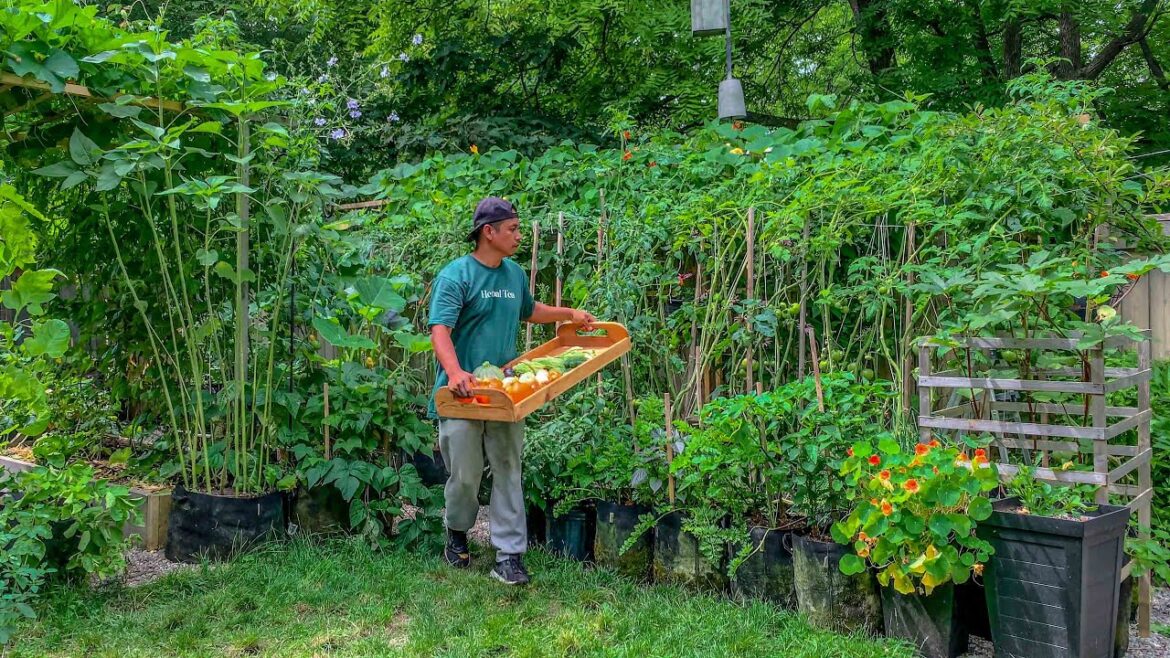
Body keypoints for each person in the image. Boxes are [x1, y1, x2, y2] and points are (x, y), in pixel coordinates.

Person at [428, 196, 596, 585]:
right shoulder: (457, 276)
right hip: (462, 396)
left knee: (507, 469)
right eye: (512, 229)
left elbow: (529, 309)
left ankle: (509, 556)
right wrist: (455, 373)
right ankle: (456, 531)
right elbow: (440, 330)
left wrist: (568, 314)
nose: (519, 236)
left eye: (519, 229)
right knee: (465, 477)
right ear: (489, 232)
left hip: (506, 393)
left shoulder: (514, 274)